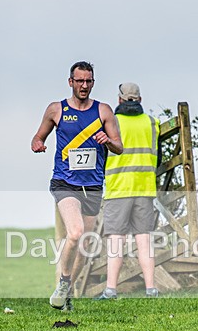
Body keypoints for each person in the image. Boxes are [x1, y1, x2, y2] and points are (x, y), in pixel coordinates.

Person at [31, 61, 123, 310]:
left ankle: (67, 289)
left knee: (85, 244)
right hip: (64, 182)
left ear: (93, 83)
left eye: (88, 81)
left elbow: (119, 147)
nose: (84, 86)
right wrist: (38, 143)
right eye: (79, 81)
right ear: (70, 81)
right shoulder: (56, 110)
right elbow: (38, 136)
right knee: (75, 232)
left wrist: (108, 141)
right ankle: (63, 282)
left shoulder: (103, 111)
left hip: (92, 185)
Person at [95, 82, 159, 300]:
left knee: (116, 241)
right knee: (144, 241)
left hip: (119, 187)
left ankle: (111, 290)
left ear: (119, 99)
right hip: (145, 187)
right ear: (140, 99)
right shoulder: (152, 123)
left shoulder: (112, 122)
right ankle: (151, 289)